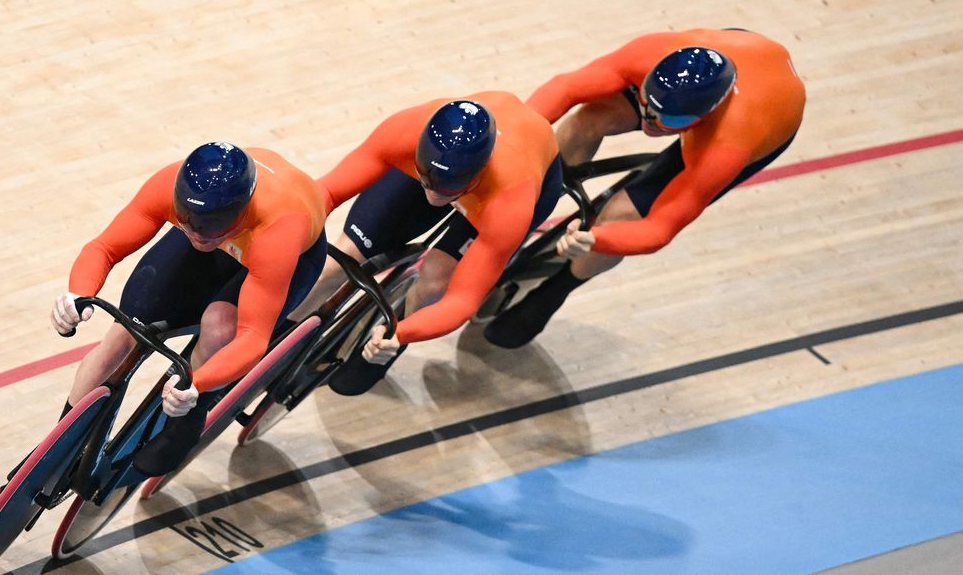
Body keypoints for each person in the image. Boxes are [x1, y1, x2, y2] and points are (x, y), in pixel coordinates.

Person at [483, 28, 806, 348]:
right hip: (736, 53)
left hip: (762, 118)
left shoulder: (728, 144)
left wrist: (598, 238)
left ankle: (556, 289)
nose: (651, 124)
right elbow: (564, 89)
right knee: (588, 120)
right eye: (646, 106)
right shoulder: (650, 52)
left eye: (669, 122)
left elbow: (660, 229)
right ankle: (530, 209)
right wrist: (516, 140)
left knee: (622, 217)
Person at [50, 142, 327, 476]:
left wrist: (198, 384)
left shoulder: (277, 230)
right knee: (124, 333)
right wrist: (77, 296)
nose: (197, 234)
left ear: (241, 210)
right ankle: (56, 453)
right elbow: (104, 248)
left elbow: (252, 338)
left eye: (211, 225)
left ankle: (187, 423)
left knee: (221, 327)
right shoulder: (176, 196)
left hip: (279, 254)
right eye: (187, 220)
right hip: (232, 236)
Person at [286, 93, 563, 395]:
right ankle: (279, 338)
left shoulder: (510, 202)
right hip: (454, 173)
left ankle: (400, 323)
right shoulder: (404, 131)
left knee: (435, 282)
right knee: (340, 260)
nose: (433, 196)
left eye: (446, 190)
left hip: (509, 186)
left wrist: (401, 334)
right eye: (426, 180)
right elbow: (324, 193)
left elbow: (460, 303)